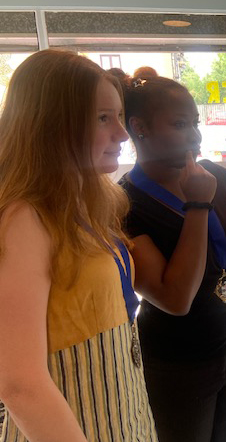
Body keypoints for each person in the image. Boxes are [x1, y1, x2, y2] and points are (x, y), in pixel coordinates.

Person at [0, 50, 157, 441]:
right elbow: (19, 383)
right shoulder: (25, 216)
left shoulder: (87, 200)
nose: (122, 134)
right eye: (103, 118)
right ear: (52, 125)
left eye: (119, 117)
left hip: (123, 413)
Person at [117, 72, 226, 442]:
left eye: (196, 123)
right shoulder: (124, 204)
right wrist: (198, 204)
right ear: (139, 128)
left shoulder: (213, 173)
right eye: (181, 124)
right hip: (178, 365)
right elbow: (174, 298)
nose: (195, 136)